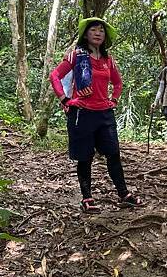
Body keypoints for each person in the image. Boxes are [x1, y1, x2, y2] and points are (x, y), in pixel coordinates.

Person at [50, 17, 143, 213]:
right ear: (85, 34)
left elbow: (118, 83)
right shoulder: (75, 56)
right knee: (85, 157)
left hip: (104, 114)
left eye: (101, 30)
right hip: (82, 114)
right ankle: (87, 198)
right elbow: (55, 76)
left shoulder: (109, 60)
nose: (98, 33)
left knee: (113, 154)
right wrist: (65, 100)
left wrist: (114, 99)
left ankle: (124, 194)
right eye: (94, 30)